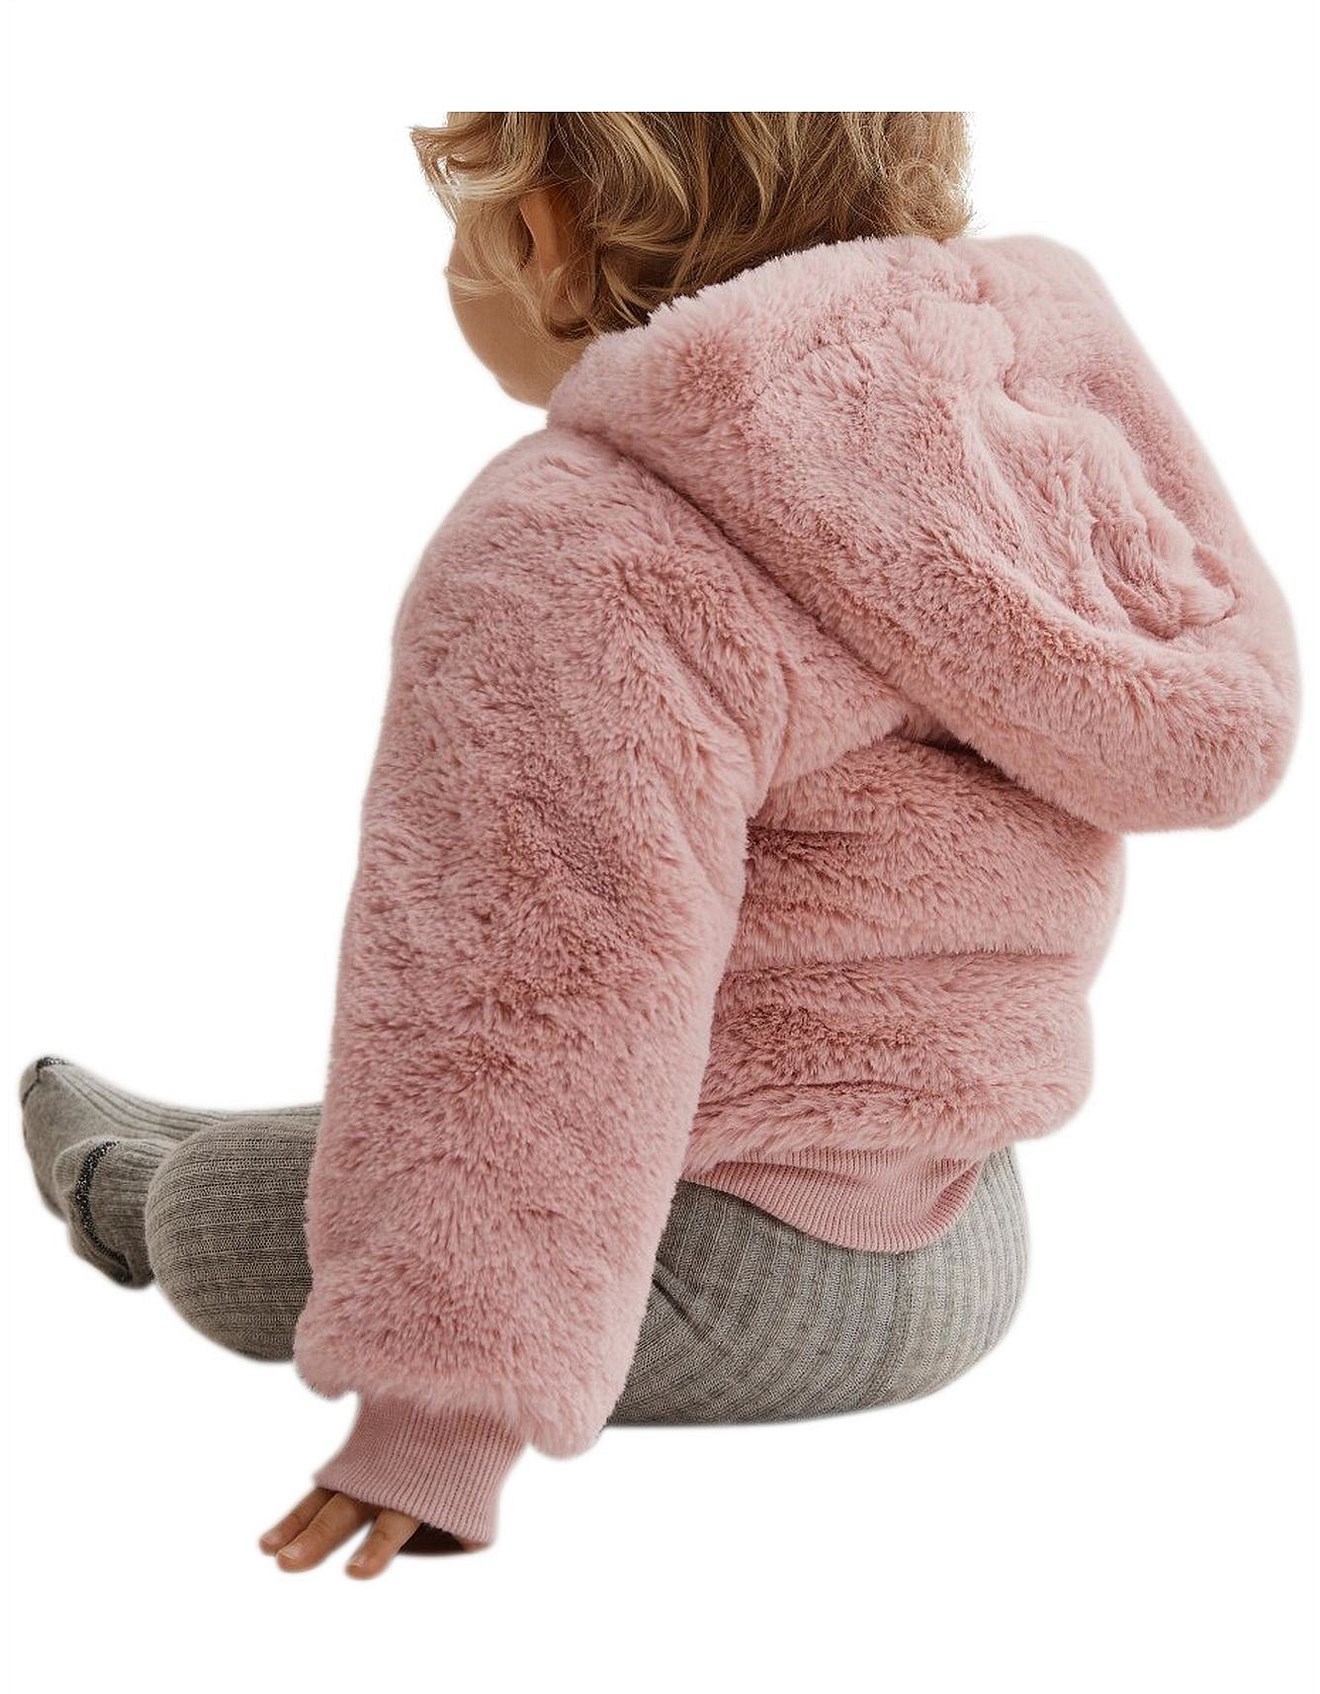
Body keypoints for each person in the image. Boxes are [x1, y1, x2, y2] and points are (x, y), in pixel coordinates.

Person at [19, 112, 1300, 1579]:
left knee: (229, 1216)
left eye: (463, 225)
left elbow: (529, 996)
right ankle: (230, 1135)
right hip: (971, 1237)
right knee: (385, 1135)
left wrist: (442, 1416)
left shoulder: (579, 549)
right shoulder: (1006, 422)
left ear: (545, 237)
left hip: (735, 1276)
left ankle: (130, 1187)